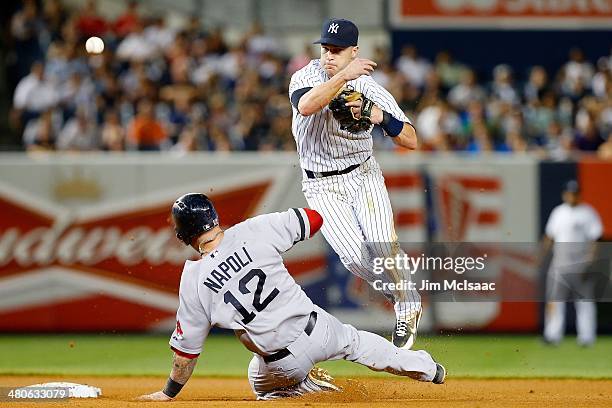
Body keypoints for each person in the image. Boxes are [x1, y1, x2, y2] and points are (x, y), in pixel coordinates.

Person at [138, 193, 446, 402]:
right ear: (215, 218)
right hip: (318, 328)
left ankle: (304, 389)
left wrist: (169, 393)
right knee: (357, 343)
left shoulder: (193, 280)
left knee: (261, 383)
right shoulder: (254, 229)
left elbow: (186, 356)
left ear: (182, 236)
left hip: (281, 364)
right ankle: (428, 369)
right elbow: (312, 219)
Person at [288, 18, 421, 349]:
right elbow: (306, 106)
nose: (329, 56)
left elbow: (411, 139)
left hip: (363, 175)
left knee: (382, 244)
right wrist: (344, 77)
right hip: (320, 185)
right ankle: (404, 292)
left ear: (354, 51)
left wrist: (380, 117)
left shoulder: (371, 88)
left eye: (337, 50)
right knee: (354, 258)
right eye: (325, 49)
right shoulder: (305, 77)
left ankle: (408, 304)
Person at [542, 180, 603, 347]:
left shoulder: (588, 213)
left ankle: (586, 338)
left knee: (585, 302)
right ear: (564, 194)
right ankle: (552, 335)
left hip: (580, 265)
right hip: (559, 264)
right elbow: (550, 236)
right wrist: (541, 256)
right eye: (569, 193)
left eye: (575, 193)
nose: (572, 195)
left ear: (579, 194)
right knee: (554, 301)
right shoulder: (558, 212)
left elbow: (596, 238)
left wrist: (590, 261)